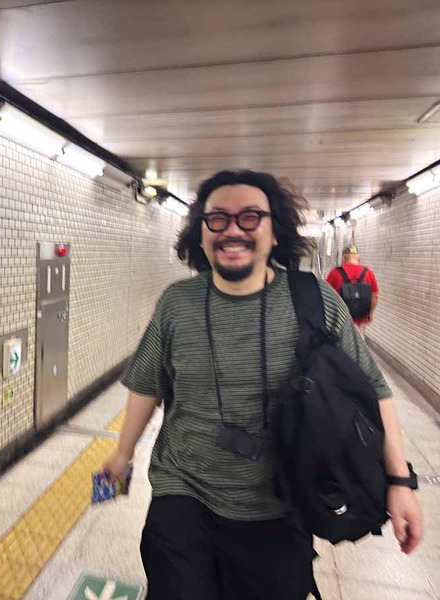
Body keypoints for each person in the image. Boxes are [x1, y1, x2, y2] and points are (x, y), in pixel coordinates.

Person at [102, 170, 422, 600]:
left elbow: (375, 392)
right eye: (217, 218)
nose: (233, 230)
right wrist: (122, 454)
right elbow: (146, 384)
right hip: (183, 495)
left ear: (275, 233)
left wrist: (400, 483)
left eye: (250, 217)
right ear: (201, 233)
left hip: (280, 504)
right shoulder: (176, 303)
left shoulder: (315, 301)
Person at [326, 246, 379, 339]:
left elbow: (326, 294)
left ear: (344, 257)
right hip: (361, 318)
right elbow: (375, 296)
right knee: (359, 342)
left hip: (340, 318)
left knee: (340, 342)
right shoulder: (368, 272)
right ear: (358, 257)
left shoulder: (335, 272)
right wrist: (370, 313)